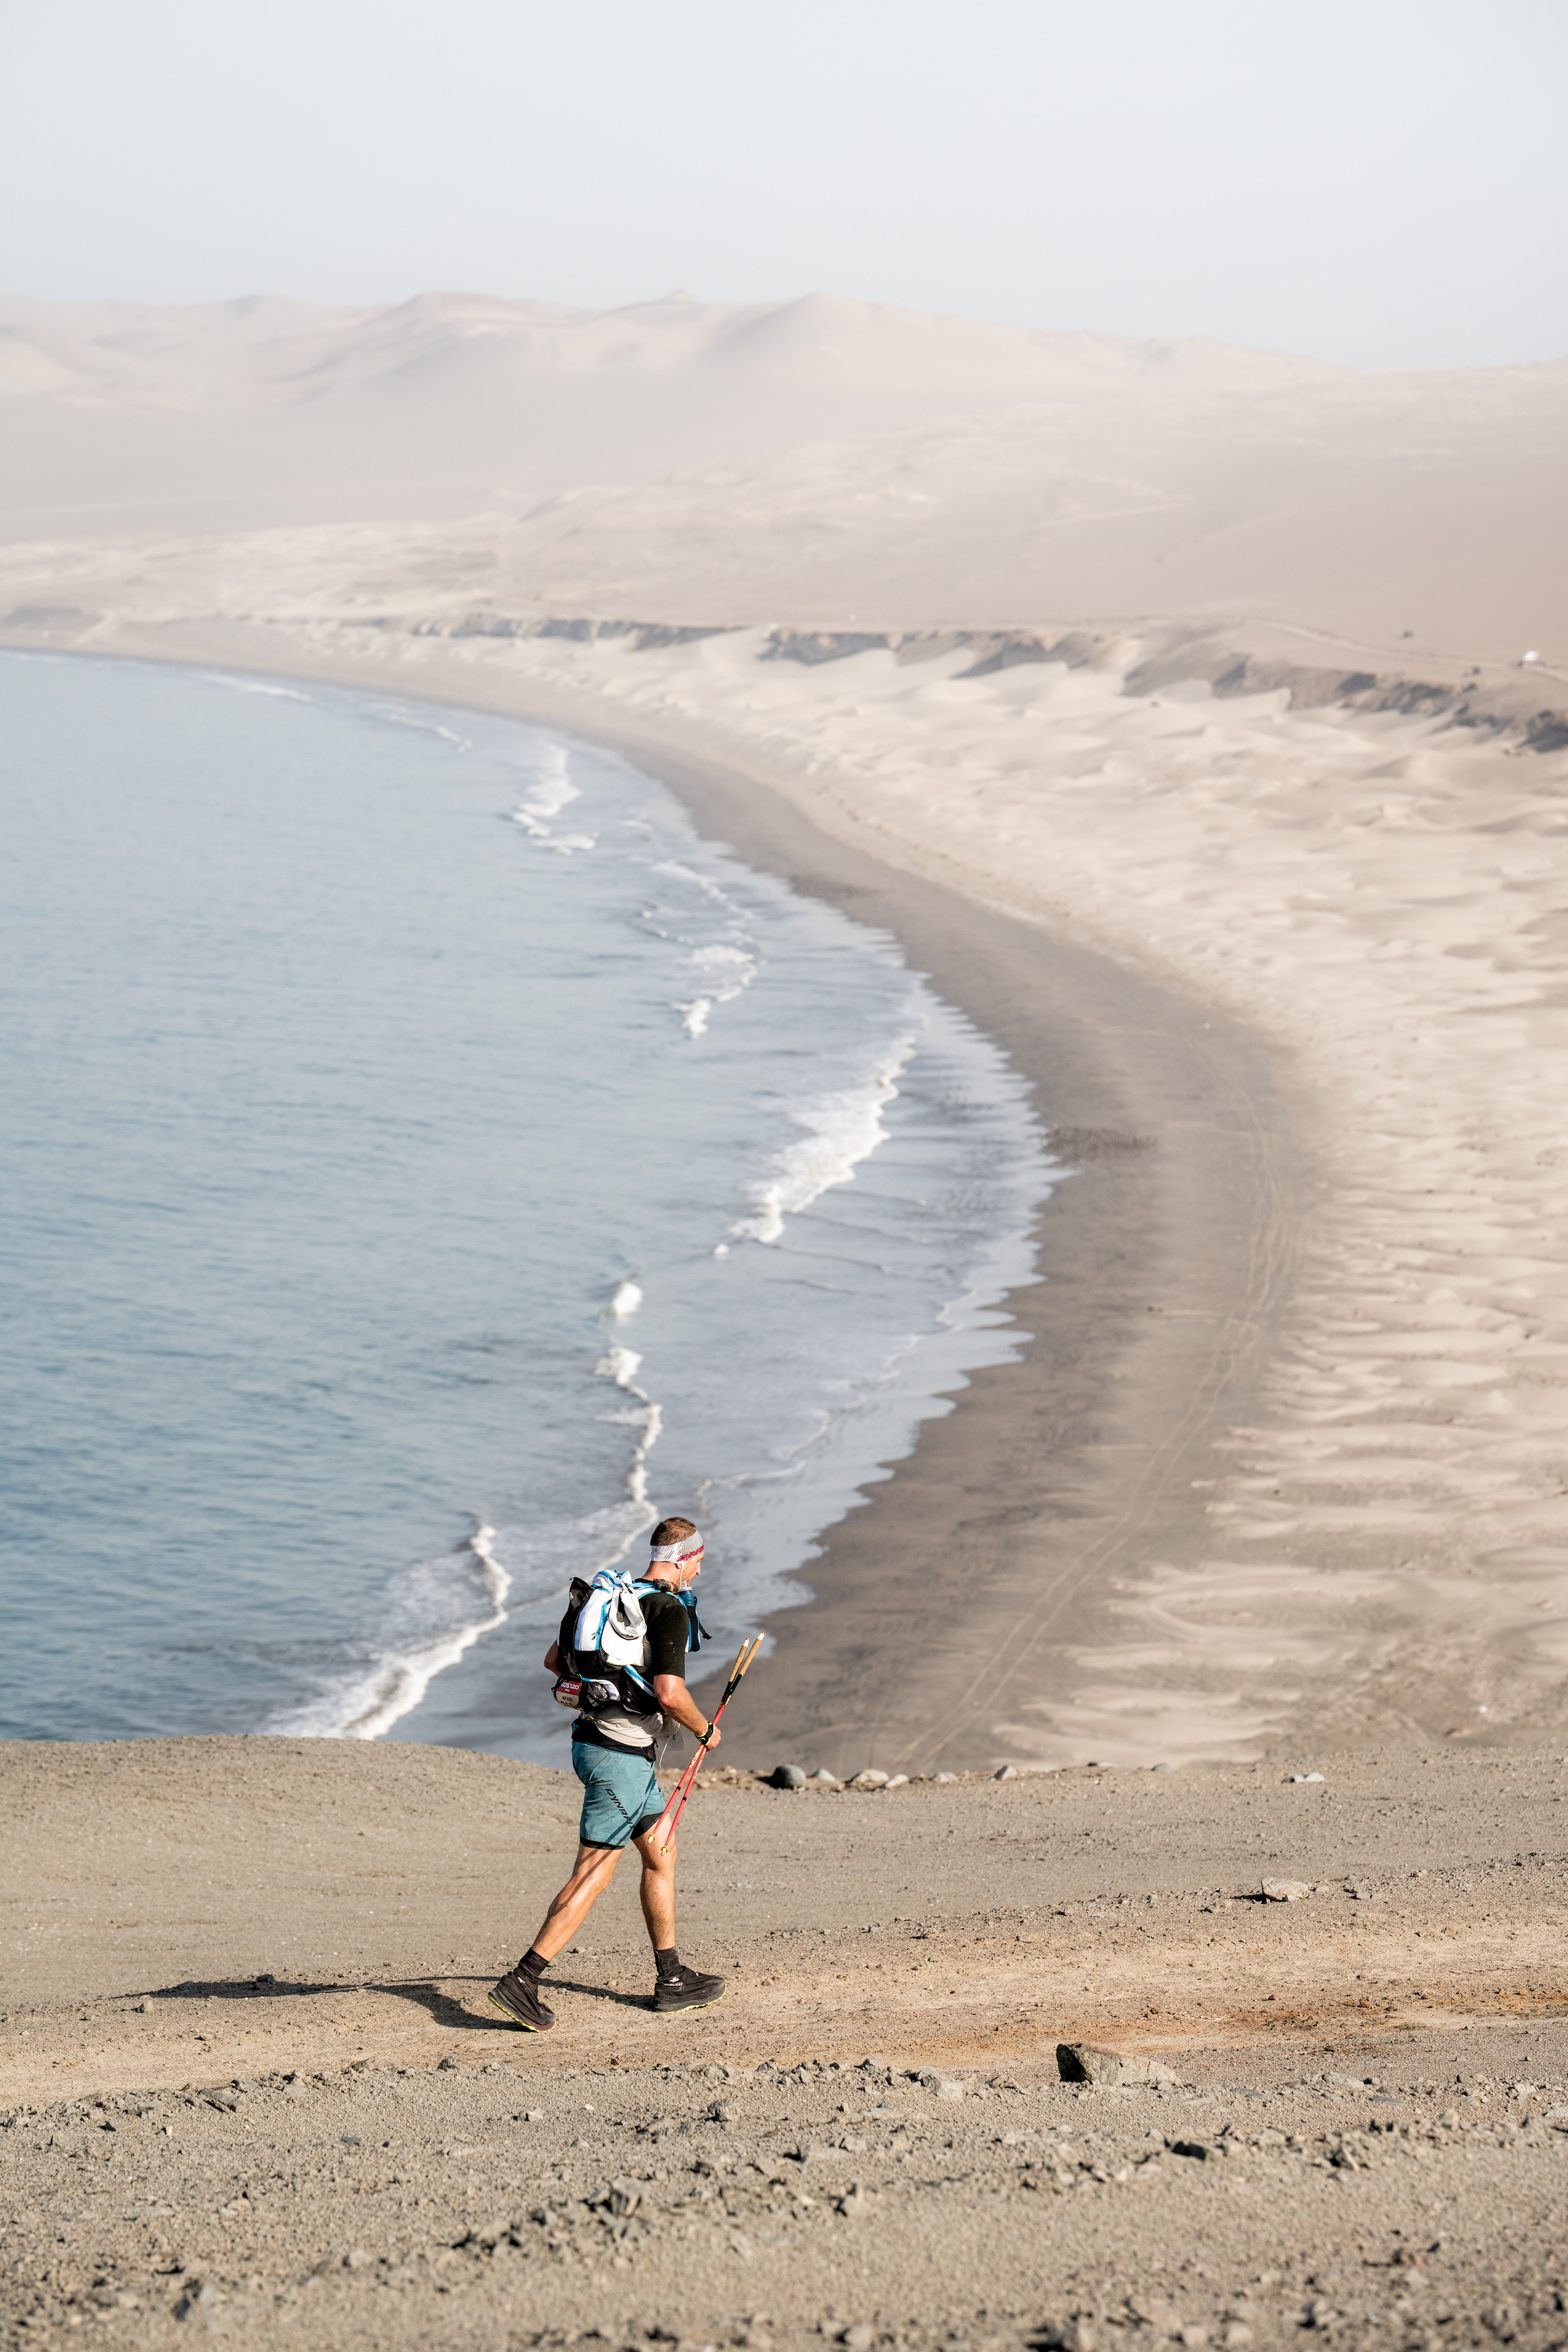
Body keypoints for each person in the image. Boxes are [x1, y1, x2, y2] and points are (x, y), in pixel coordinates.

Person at [487, 1516, 727, 2031]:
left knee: (661, 1853)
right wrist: (705, 1730)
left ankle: (672, 1978)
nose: (698, 1574)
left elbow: (554, 1660)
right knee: (593, 1873)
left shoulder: (611, 1597)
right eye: (699, 1564)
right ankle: (522, 1982)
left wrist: (608, 1691)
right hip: (619, 1760)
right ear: (685, 1558)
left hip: (600, 1745)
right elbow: (670, 1694)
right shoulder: (667, 1608)